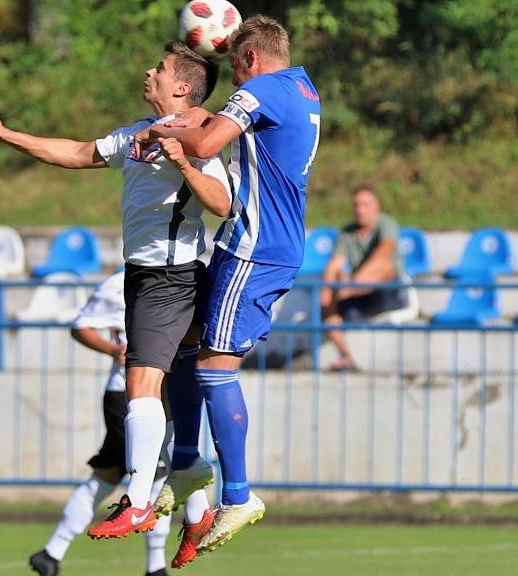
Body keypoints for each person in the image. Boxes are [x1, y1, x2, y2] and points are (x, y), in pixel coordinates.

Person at [0, 41, 230, 553]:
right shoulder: (137, 132)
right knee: (175, 398)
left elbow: (222, 201)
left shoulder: (200, 138)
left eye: (158, 68)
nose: (148, 70)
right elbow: (73, 152)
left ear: (181, 87)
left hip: (169, 276)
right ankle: (198, 514)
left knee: (141, 382)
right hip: (146, 277)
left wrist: (180, 160)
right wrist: (6, 135)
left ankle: (137, 497)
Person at [133, 15, 321, 553]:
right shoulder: (303, 87)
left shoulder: (261, 89)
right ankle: (188, 463)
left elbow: (207, 143)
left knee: (216, 366)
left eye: (236, 72)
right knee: (191, 339)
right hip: (264, 244)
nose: (235, 85)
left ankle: (237, 495)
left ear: (249, 60)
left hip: (255, 248)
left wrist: (163, 124)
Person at [29, 271, 172, 576]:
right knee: (156, 475)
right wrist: (111, 349)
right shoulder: (118, 283)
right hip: (127, 394)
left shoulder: (181, 276)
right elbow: (81, 325)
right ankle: (156, 567)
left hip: (160, 393)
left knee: (106, 477)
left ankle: (51, 553)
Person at [321, 185, 404, 370]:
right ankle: (345, 355)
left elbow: (384, 253)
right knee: (326, 299)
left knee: (385, 267)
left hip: (388, 292)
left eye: (365, 205)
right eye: (356, 205)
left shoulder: (386, 224)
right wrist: (326, 290)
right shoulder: (347, 232)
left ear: (376, 206)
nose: (360, 210)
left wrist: (350, 284)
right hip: (358, 292)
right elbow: (334, 263)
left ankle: (347, 290)